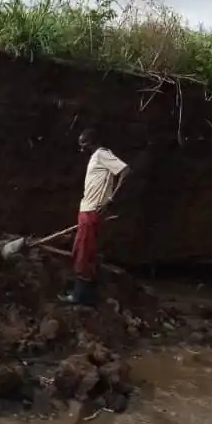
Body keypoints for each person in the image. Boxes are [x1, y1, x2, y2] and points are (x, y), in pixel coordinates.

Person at [60, 128, 130, 305]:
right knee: (80, 250)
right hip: (86, 210)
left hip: (92, 210)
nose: (81, 148)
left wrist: (111, 198)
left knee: (85, 251)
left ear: (92, 142)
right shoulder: (95, 158)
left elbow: (125, 170)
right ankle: (86, 293)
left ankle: (79, 296)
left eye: (83, 144)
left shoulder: (102, 154)